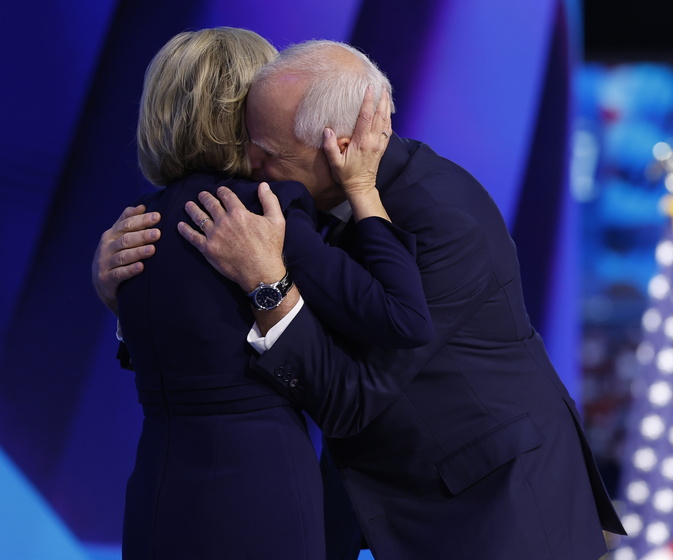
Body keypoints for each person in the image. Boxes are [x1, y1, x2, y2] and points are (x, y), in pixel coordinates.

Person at [96, 39, 626, 560]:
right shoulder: (296, 200)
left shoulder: (442, 218)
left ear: (339, 146)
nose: (251, 162)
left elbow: (354, 397)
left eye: (268, 151)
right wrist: (123, 297)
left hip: (496, 510)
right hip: (383, 497)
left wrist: (269, 287)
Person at [105, 29, 432, 560]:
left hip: (156, 490)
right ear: (245, 113)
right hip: (256, 490)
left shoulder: (138, 221)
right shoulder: (262, 211)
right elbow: (401, 318)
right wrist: (364, 192)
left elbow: (167, 344)